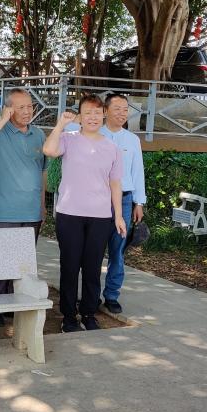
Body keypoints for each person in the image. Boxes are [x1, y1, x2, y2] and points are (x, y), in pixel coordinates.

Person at [43, 95, 127, 333]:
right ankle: (69, 317)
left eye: (97, 112)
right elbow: (49, 150)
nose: (92, 117)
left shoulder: (112, 148)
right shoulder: (68, 139)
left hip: (100, 217)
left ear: (104, 115)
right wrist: (61, 124)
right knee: (70, 267)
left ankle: (89, 313)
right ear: (79, 117)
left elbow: (115, 184)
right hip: (69, 214)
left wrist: (118, 215)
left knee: (92, 268)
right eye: (87, 113)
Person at [0, 88, 47, 327]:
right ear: (9, 109)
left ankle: (12, 304)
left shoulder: (38, 134)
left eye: (30, 106)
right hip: (6, 210)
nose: (27, 111)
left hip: (32, 210)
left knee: (23, 264)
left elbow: (43, 171)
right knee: (0, 261)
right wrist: (2, 120)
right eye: (21, 107)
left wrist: (42, 205)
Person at [99, 94, 147, 315]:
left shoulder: (132, 140)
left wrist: (139, 202)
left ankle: (112, 295)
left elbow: (137, 172)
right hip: (98, 199)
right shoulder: (95, 135)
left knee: (117, 250)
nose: (122, 113)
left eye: (125, 109)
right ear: (105, 111)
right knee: (94, 249)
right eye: (117, 108)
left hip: (126, 200)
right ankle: (91, 294)